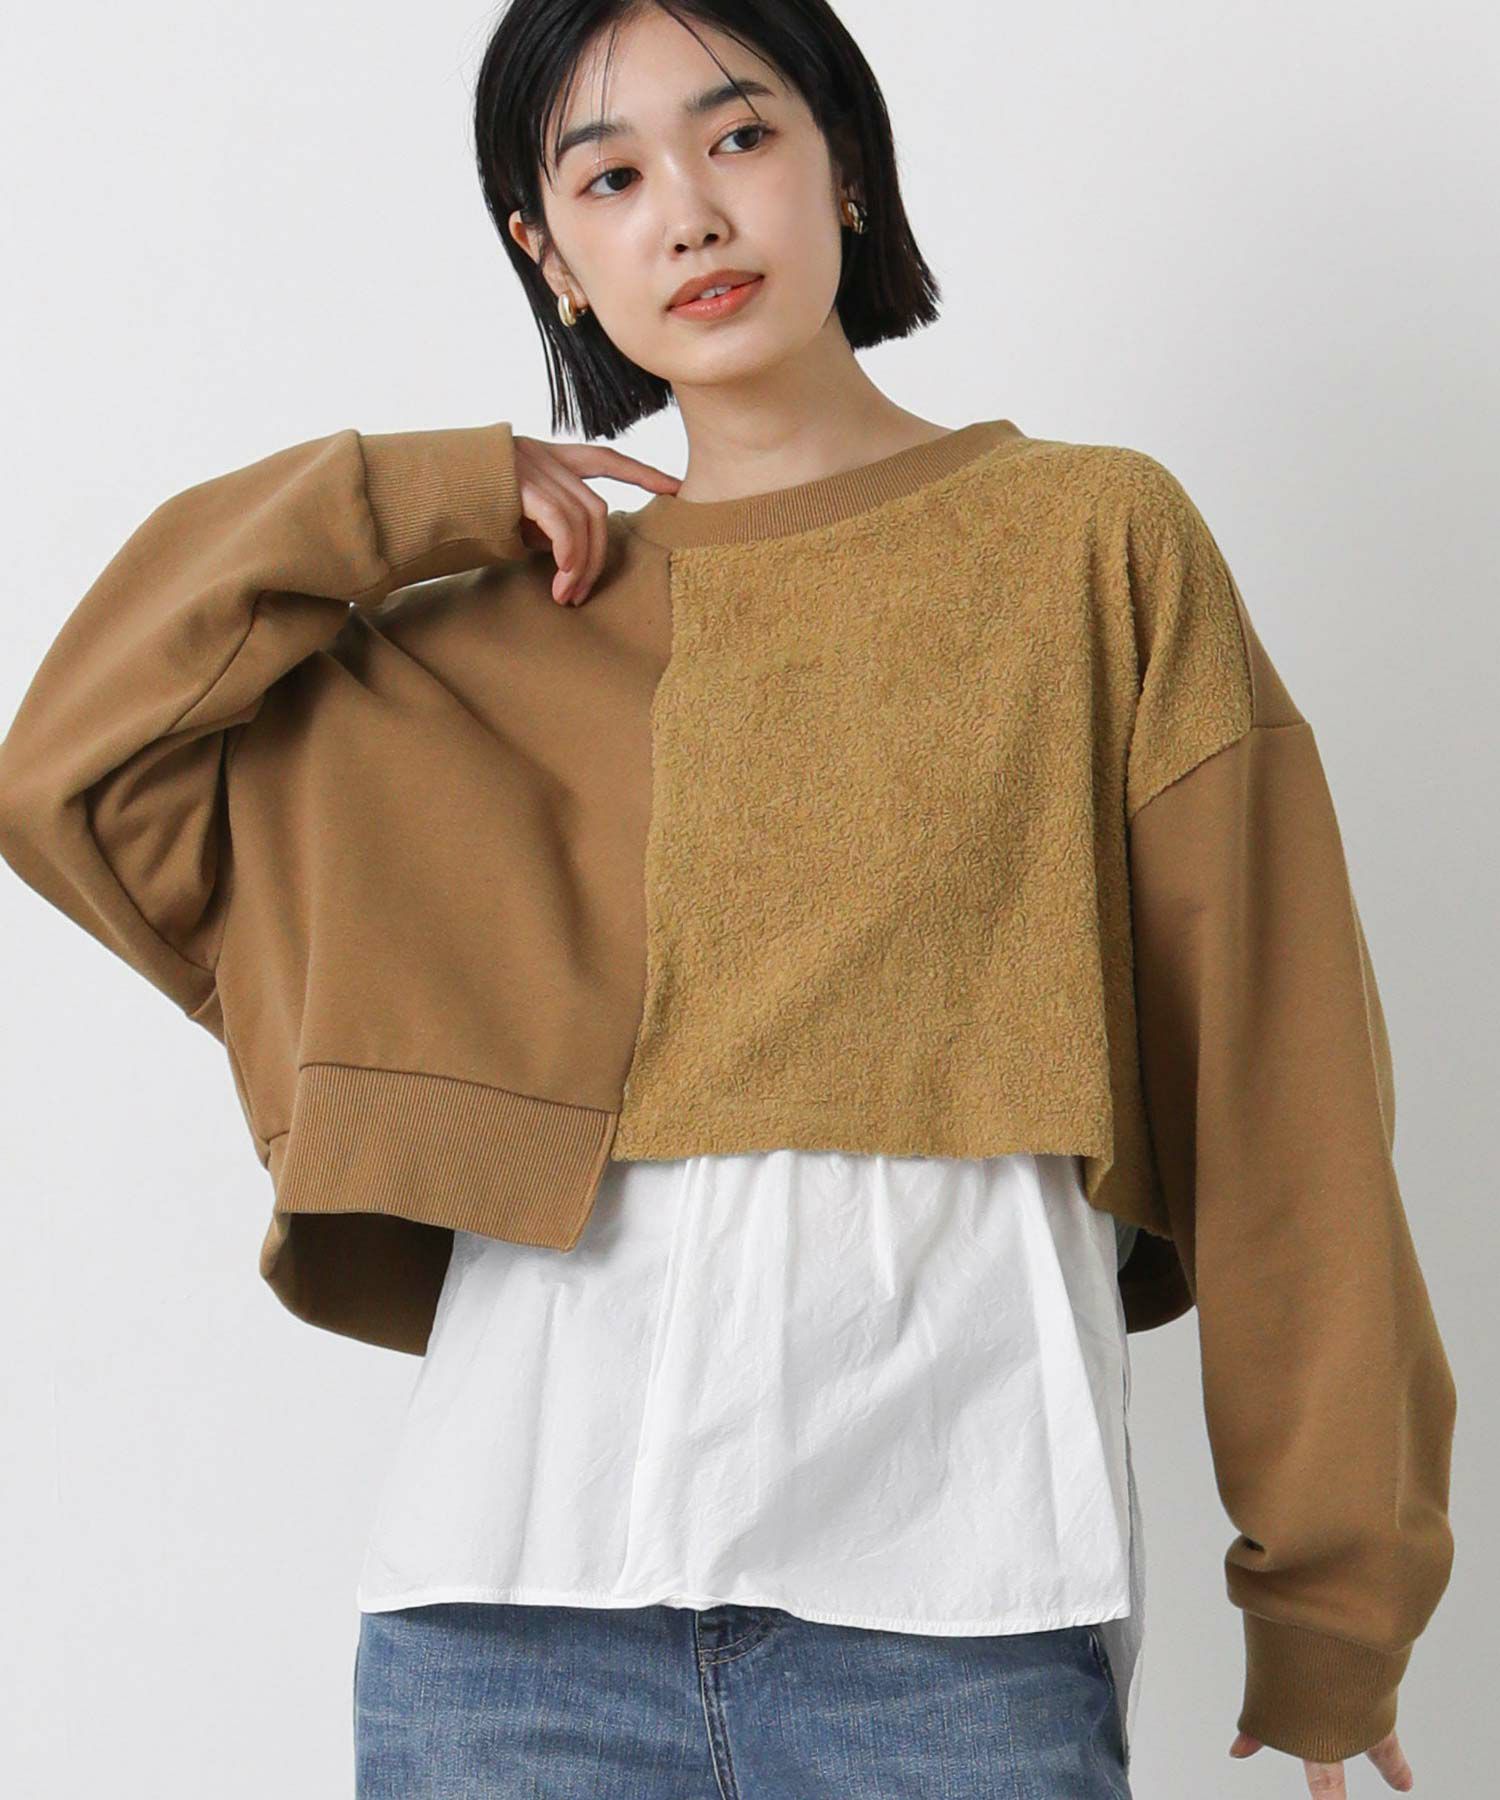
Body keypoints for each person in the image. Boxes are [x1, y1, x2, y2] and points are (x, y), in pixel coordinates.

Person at [0, 2, 1456, 1796]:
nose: (688, 211)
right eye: (608, 177)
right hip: (502, 1634)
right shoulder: (482, 641)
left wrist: (1334, 1586)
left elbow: (1282, 1086)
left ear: (844, 165)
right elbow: (71, 765)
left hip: (952, 1626)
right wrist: (412, 492)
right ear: (550, 256)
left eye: (740, 135)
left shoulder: (1089, 546)